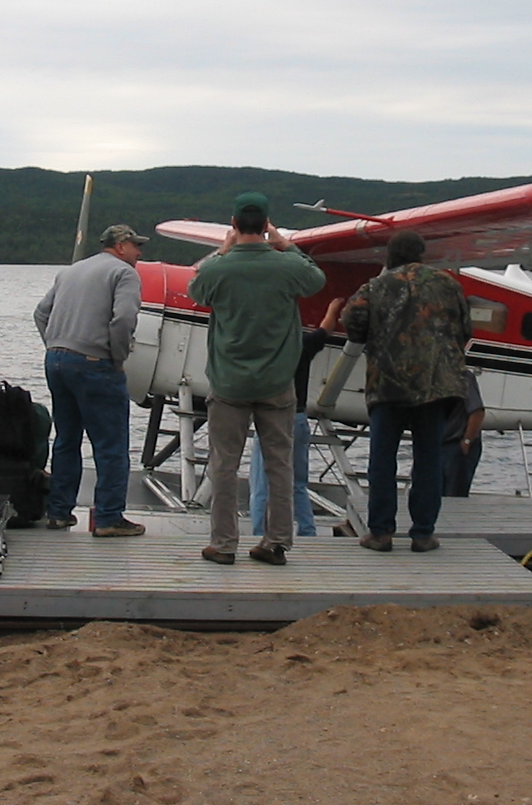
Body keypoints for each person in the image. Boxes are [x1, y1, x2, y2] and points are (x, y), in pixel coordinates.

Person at [187, 192, 326, 565]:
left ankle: (224, 543)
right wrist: (287, 244)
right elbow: (316, 279)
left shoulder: (219, 268)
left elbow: (195, 287)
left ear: (234, 225)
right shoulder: (287, 266)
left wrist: (221, 250)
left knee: (224, 464)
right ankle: (277, 541)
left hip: (229, 383)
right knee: (280, 464)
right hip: (278, 383)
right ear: (266, 225)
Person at [341, 230, 470, 553]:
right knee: (428, 459)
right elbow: (466, 329)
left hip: (389, 386)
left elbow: (352, 322)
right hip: (436, 387)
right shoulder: (448, 284)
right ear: (421, 254)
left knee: (382, 460)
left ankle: (381, 532)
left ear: (390, 255)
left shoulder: (376, 286)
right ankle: (423, 534)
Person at [33, 224, 148, 537]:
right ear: (121, 245)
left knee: (66, 440)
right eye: (136, 246)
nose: (139, 252)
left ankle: (58, 512)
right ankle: (109, 518)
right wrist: (117, 358)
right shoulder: (124, 274)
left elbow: (41, 313)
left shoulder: (71, 272)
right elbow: (124, 318)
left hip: (57, 361)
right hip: (96, 364)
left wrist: (56, 344)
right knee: (111, 444)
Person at [249, 296, 344, 537]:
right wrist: (333, 306)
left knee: (262, 484)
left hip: (270, 418)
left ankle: (259, 533)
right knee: (298, 483)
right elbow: (325, 329)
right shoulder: (302, 344)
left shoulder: (264, 348)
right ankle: (307, 531)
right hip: (299, 418)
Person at [441, 370, 485, 498]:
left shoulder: (464, 377)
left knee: (453, 496)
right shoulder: (433, 377)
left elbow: (477, 412)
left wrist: (466, 442)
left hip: (456, 446)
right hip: (438, 445)